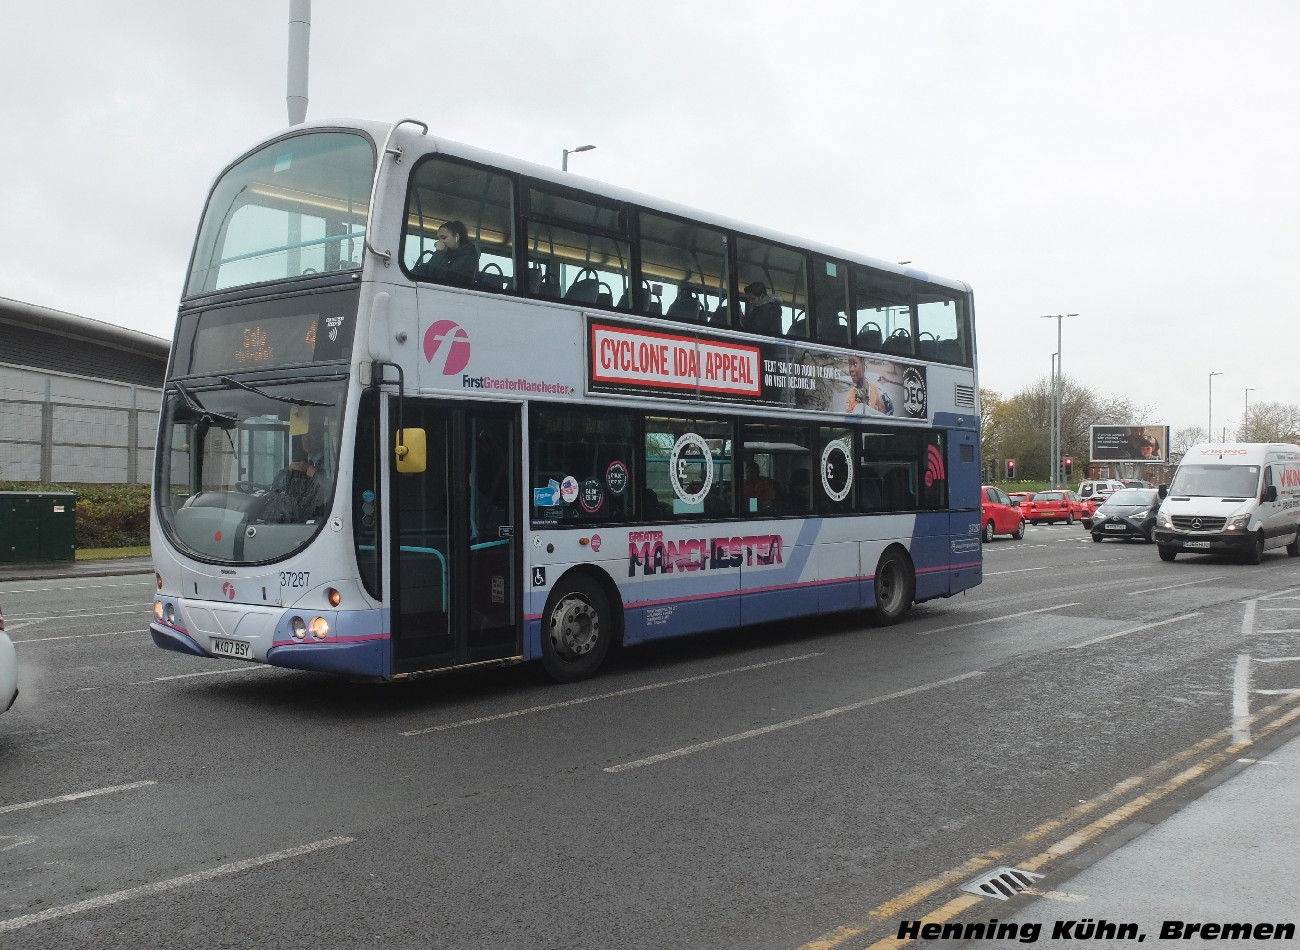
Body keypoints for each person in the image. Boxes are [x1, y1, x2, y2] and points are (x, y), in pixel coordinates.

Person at [262, 427, 330, 522]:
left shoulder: (330, 462)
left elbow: (331, 490)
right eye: (304, 436)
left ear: (321, 439)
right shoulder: (299, 460)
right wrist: (288, 470)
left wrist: (314, 474)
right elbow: (279, 485)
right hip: (298, 514)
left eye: (310, 436)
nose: (306, 439)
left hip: (323, 514)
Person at [411, 220, 479, 286]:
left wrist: (439, 252)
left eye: (443, 238)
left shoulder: (469, 256)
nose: (440, 242)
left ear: (456, 237)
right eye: (439, 239)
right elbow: (429, 269)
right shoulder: (448, 254)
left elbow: (447, 279)